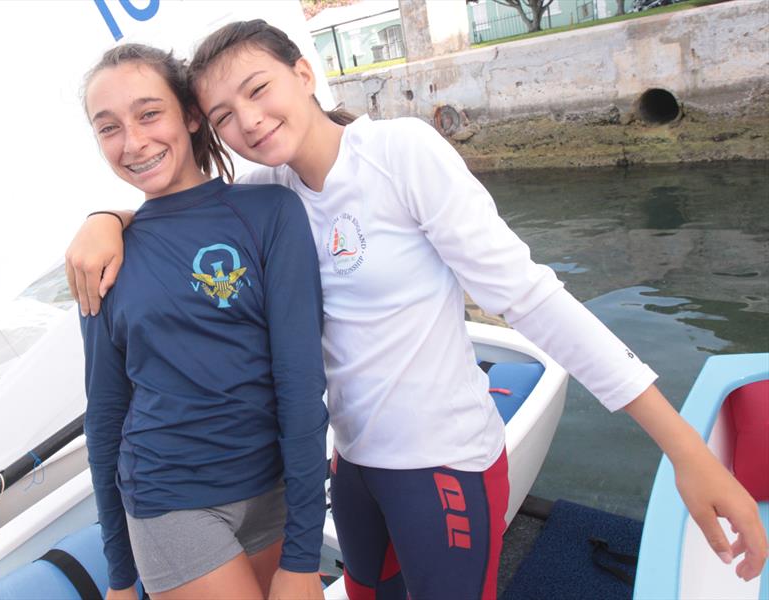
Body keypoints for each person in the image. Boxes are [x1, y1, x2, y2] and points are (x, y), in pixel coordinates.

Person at [67, 21, 767, 600]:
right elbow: (183, 213)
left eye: (259, 90)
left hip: (444, 464)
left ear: (304, 75)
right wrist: (105, 219)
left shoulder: (398, 154)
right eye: (224, 115)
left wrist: (684, 452)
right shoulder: (268, 190)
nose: (248, 121)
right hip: (356, 466)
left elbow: (531, 299)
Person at [78, 43, 329, 600]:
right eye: (109, 127)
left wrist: (305, 556)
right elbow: (106, 416)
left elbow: (301, 382)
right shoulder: (100, 258)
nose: (134, 142)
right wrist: (120, 577)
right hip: (169, 501)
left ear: (190, 115)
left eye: (149, 114)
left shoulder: (269, 214)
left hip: (272, 489)